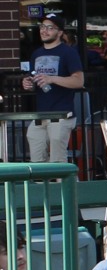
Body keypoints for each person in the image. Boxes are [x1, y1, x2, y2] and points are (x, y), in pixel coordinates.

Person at [21, 16, 82, 163]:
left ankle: (66, 186)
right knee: (36, 161)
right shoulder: (36, 53)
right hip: (41, 114)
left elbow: (79, 81)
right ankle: (42, 185)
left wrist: (51, 78)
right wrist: (28, 83)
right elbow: (36, 79)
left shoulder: (68, 52)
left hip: (61, 114)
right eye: (42, 27)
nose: (44, 31)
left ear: (60, 32)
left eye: (50, 28)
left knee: (57, 160)